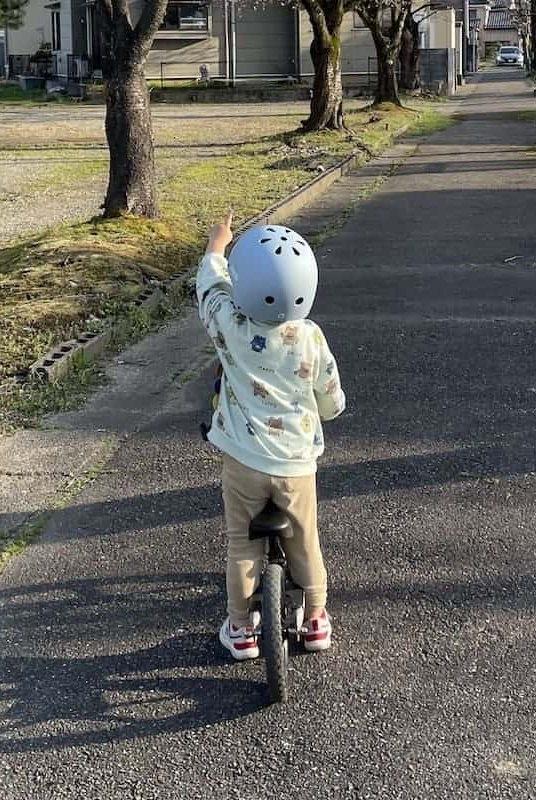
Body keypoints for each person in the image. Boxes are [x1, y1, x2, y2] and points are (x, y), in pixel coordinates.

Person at [196, 212, 346, 661]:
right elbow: (330, 393)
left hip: (243, 460)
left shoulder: (229, 325)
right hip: (296, 463)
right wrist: (330, 410)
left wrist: (217, 248)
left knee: (241, 542)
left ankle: (241, 629)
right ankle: (316, 619)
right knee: (306, 539)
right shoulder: (310, 337)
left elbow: (210, 287)